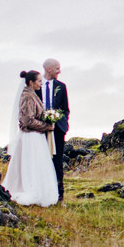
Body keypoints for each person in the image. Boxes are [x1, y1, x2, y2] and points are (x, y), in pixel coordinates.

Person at [2, 70, 59, 207]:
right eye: (39, 81)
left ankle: (35, 188)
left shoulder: (31, 94)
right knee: (31, 163)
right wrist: (47, 126)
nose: (41, 83)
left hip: (34, 136)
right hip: (30, 137)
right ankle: (30, 190)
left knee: (34, 163)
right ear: (30, 82)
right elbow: (28, 121)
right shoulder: (27, 97)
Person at [39, 58, 69, 202]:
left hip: (57, 130)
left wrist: (59, 121)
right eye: (57, 68)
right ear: (49, 69)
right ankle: (42, 193)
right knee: (40, 161)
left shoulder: (61, 86)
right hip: (39, 130)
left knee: (57, 162)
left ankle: (59, 195)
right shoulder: (37, 86)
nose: (59, 71)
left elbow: (65, 109)